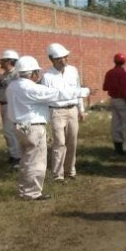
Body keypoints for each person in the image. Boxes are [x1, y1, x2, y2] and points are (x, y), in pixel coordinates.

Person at [7, 55, 90, 200]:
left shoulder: (13, 86)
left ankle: (24, 190)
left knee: (26, 160)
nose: (38, 75)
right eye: (36, 72)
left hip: (19, 127)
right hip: (33, 128)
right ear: (32, 73)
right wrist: (83, 92)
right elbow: (56, 94)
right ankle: (32, 193)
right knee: (37, 161)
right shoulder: (31, 88)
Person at [40, 43, 85, 182]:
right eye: (60, 58)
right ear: (52, 59)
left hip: (72, 109)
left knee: (72, 141)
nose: (64, 60)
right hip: (57, 111)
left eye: (65, 57)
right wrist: (45, 117)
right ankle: (57, 175)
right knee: (59, 143)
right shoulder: (47, 77)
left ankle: (70, 171)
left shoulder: (73, 71)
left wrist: (81, 109)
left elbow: (78, 90)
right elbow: (44, 97)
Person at [0, 49, 21, 167]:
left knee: (10, 131)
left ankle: (17, 157)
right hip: (3, 105)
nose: (0, 63)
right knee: (8, 132)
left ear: (9, 61)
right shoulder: (5, 75)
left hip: (12, 106)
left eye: (2, 61)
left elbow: (15, 85)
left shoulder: (17, 73)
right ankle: (14, 155)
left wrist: (1, 78)